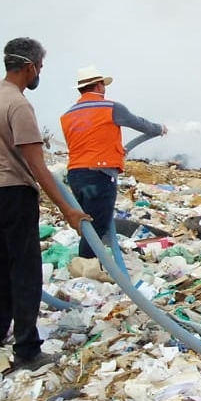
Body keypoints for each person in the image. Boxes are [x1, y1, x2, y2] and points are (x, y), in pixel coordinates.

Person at [0, 38, 91, 372]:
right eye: (41, 67)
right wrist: (68, 210)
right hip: (15, 195)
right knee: (26, 274)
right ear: (30, 66)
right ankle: (28, 351)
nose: (40, 73)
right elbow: (37, 167)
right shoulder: (18, 105)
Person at [59, 66, 167, 259]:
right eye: (103, 85)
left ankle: (90, 263)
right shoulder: (110, 108)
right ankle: (86, 268)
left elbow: (89, 141)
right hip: (99, 174)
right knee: (97, 226)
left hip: (76, 174)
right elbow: (140, 124)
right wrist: (159, 128)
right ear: (99, 85)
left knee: (87, 222)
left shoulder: (68, 115)